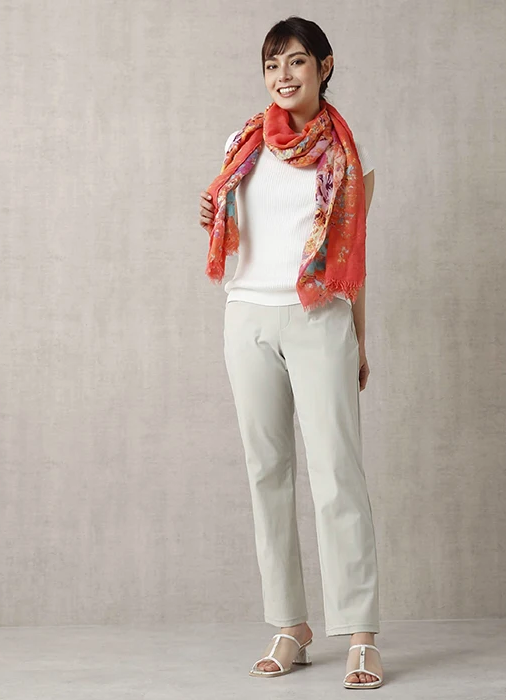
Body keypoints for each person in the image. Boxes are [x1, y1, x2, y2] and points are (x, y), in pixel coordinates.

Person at [199, 16, 384, 690]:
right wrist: (214, 215)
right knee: (266, 472)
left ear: (324, 67)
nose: (283, 75)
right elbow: (236, 228)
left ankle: (360, 634)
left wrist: (358, 338)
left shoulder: (347, 157)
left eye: (297, 61)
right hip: (247, 316)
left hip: (320, 318)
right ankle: (289, 625)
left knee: (338, 474)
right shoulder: (241, 143)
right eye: (272, 64)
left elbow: (354, 259)